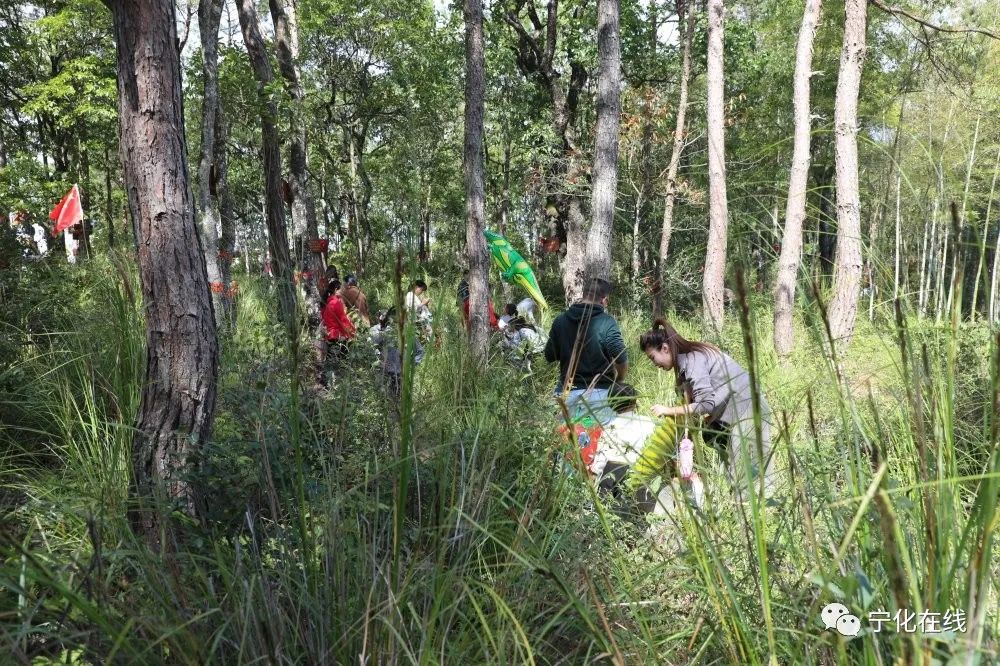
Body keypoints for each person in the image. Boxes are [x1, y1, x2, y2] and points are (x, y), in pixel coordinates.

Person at [639, 319, 777, 499]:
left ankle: (759, 519)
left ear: (665, 348)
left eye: (652, 358)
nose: (654, 363)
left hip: (748, 409)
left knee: (749, 477)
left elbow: (706, 403)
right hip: (736, 414)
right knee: (737, 475)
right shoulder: (684, 364)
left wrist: (669, 410)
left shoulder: (692, 359)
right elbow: (713, 396)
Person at [544, 276, 627, 424]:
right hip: (599, 394)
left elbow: (550, 355)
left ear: (584, 295)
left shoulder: (560, 321)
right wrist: (619, 379)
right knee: (596, 441)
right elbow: (621, 356)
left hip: (566, 393)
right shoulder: (607, 322)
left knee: (565, 441)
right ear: (604, 300)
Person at [370, 307, 425, 400]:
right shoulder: (384, 332)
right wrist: (379, 361)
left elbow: (419, 351)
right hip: (385, 373)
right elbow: (371, 346)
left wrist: (410, 364)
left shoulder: (409, 332)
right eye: (393, 317)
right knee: (384, 400)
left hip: (402, 374)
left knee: (399, 400)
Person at [320, 280, 356, 385]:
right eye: (341, 289)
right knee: (342, 362)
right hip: (338, 336)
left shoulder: (327, 302)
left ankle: (326, 382)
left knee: (331, 360)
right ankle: (340, 384)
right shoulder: (336, 302)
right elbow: (343, 321)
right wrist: (352, 332)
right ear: (336, 289)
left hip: (330, 335)